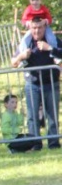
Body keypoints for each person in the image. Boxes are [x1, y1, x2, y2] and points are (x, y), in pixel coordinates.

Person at [11, 18, 61, 150]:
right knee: (32, 116)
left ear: (45, 27)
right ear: (30, 28)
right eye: (34, 28)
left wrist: (49, 48)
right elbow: (13, 63)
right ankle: (35, 144)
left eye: (39, 27)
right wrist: (22, 56)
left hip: (51, 83)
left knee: (52, 115)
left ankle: (53, 143)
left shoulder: (52, 40)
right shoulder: (25, 43)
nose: (37, 30)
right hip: (32, 84)